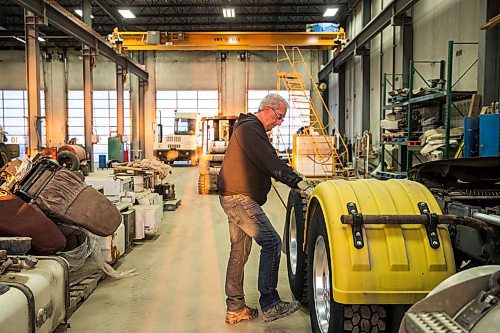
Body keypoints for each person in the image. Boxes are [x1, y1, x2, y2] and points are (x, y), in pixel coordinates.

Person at [218, 93, 314, 324]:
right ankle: (271, 303)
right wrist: (298, 181)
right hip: (240, 199)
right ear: (268, 109)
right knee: (271, 243)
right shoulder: (251, 129)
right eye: (279, 117)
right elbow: (270, 163)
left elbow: (265, 160)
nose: (279, 122)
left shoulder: (249, 129)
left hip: (233, 196)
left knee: (238, 252)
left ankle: (235, 308)